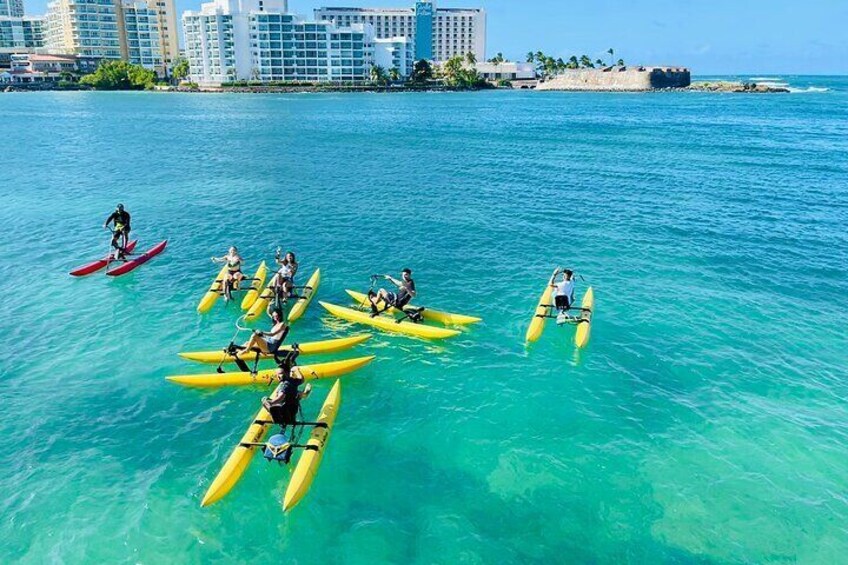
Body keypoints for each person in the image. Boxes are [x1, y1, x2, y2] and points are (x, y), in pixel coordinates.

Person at [267, 250, 299, 315]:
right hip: (282, 276)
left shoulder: (295, 264)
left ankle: (285, 298)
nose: (289, 258)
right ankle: (276, 292)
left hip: (289, 278)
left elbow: (292, 272)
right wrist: (278, 253)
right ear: (286, 257)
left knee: (284, 285)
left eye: (290, 256)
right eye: (288, 256)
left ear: (293, 257)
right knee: (277, 277)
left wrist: (291, 269)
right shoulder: (284, 262)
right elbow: (277, 261)